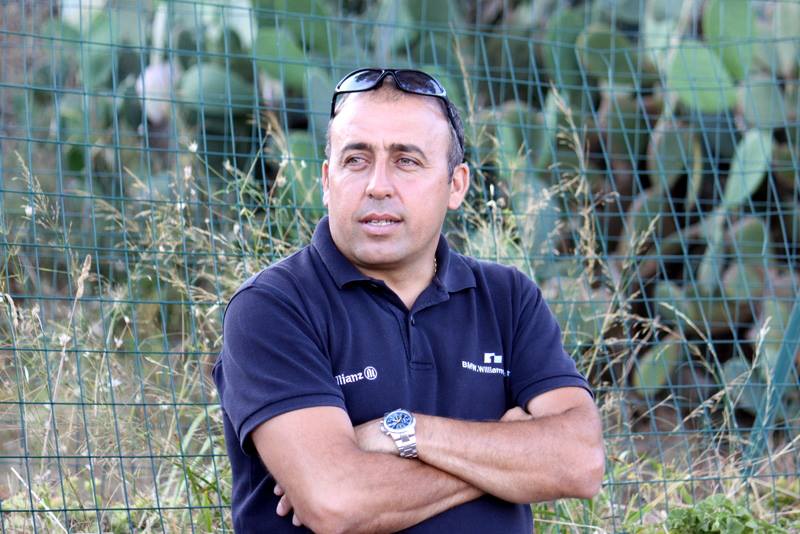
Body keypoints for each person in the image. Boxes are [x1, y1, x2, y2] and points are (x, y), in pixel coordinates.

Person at [213, 68, 604, 533]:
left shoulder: (508, 298)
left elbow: (579, 461)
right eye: (356, 159)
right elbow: (336, 501)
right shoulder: (273, 307)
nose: (378, 185)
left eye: (406, 161)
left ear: (456, 185)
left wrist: (403, 431)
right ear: (327, 180)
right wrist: (510, 454)